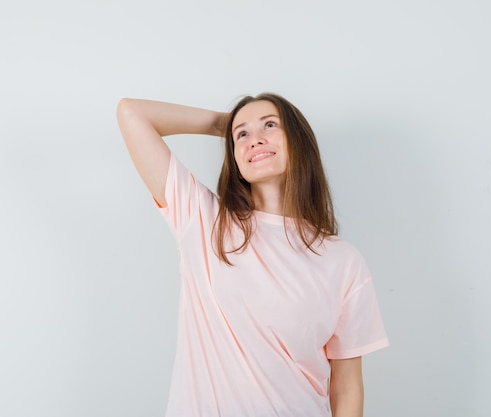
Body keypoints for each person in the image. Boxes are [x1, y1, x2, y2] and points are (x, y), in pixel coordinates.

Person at [116, 93, 389, 417]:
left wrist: (241, 127)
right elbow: (132, 113)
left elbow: (346, 387)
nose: (254, 140)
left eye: (270, 126)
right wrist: (224, 123)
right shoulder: (203, 222)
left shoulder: (342, 261)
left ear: (298, 141)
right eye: (242, 135)